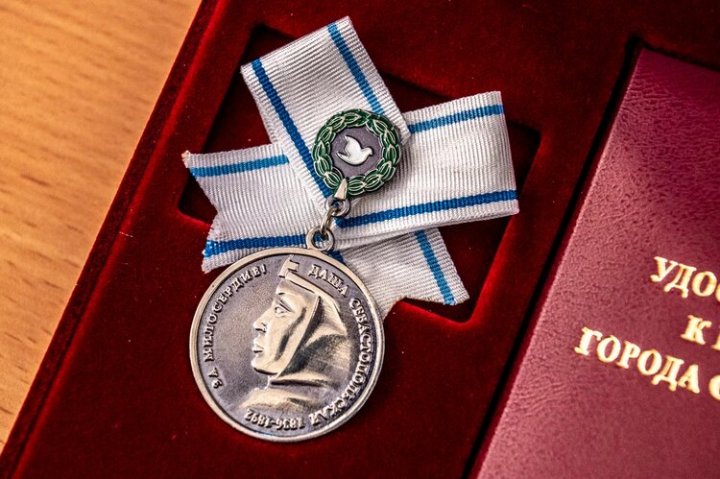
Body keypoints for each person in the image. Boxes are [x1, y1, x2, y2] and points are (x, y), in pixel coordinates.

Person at [241, 257, 351, 414]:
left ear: (315, 333)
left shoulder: (266, 407)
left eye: (280, 310)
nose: (258, 323)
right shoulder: (260, 402)